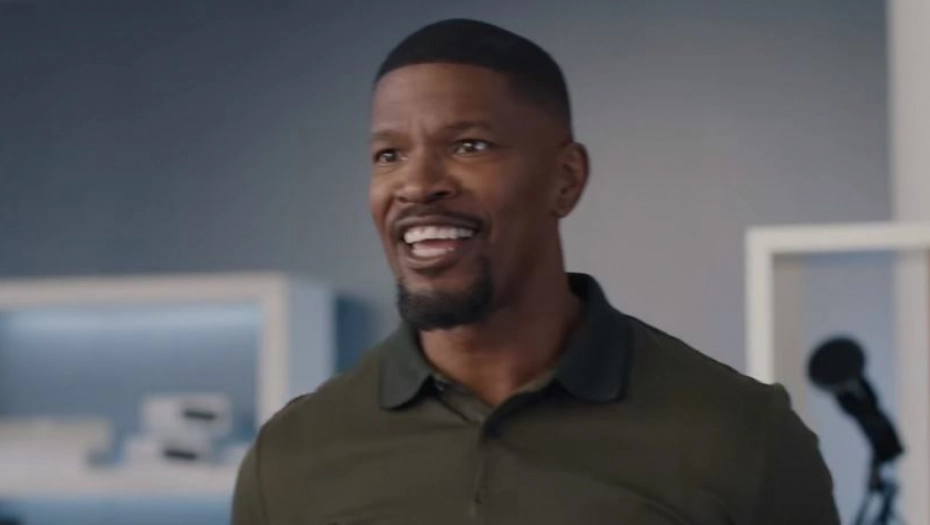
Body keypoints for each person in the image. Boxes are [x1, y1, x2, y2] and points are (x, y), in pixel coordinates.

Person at [232, 18, 839, 525]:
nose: (416, 184)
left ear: (565, 179)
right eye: (389, 154)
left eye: (468, 145)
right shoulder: (292, 455)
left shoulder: (744, 436)